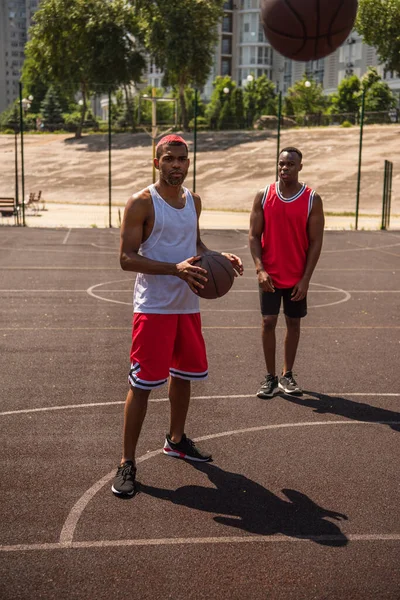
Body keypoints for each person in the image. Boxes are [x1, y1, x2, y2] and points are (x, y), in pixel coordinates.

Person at [112, 134, 243, 497]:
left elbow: (195, 246)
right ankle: (126, 462)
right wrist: (175, 269)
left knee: (182, 376)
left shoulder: (194, 202)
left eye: (182, 159)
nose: (177, 165)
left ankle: (177, 439)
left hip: (187, 304)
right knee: (141, 386)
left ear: (189, 163)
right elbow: (126, 258)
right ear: (157, 163)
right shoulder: (141, 202)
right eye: (169, 159)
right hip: (153, 308)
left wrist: (220, 256)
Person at [249, 147, 324, 399]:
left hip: (296, 277)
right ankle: (270, 377)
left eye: (290, 164)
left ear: (300, 167)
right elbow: (253, 236)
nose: (284, 168)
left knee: (293, 323)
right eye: (281, 164)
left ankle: (287, 374)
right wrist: (260, 269)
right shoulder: (263, 195)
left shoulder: (312, 198)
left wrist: (306, 279)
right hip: (269, 274)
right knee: (268, 322)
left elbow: (316, 242)